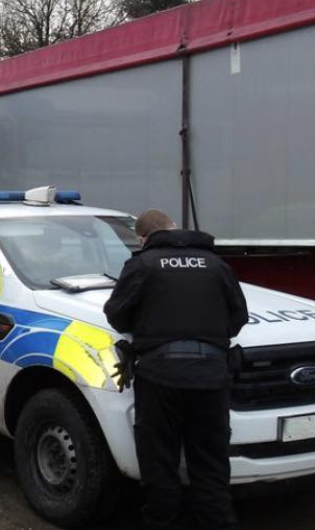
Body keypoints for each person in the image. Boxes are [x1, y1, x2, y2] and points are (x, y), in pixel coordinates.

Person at [103, 209, 248, 530]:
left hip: (159, 378)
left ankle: (162, 522)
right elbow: (238, 319)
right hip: (212, 377)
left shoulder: (142, 264)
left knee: (160, 462)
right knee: (211, 464)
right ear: (173, 228)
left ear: (143, 238)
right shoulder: (217, 265)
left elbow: (117, 314)